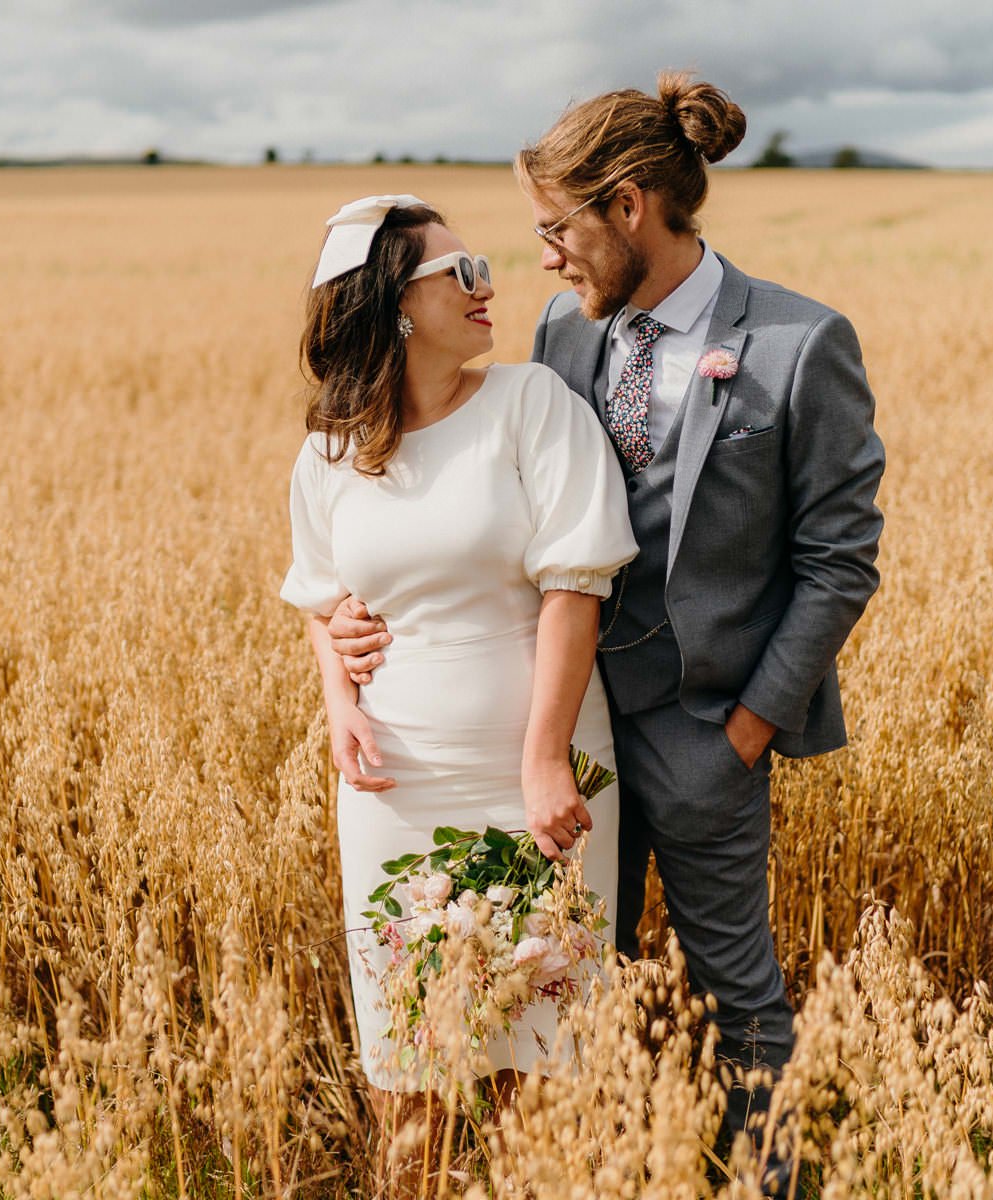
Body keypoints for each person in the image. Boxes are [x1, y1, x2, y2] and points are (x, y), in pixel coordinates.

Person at [328, 74, 886, 1185]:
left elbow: (839, 562)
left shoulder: (796, 343)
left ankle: (767, 1180)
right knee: (564, 995)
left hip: (703, 732)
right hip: (557, 737)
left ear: (629, 206)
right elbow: (486, 493)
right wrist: (360, 609)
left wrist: (748, 731)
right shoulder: (561, 336)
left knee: (738, 996)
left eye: (557, 230)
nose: (544, 261)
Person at [279, 196, 638, 1150]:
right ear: (392, 304)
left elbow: (577, 585)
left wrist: (544, 758)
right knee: (412, 1053)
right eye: (459, 271)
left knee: (547, 1047)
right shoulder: (330, 452)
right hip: (396, 785)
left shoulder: (532, 405)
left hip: (543, 780)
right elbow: (321, 596)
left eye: (482, 264)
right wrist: (335, 701)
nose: (488, 286)